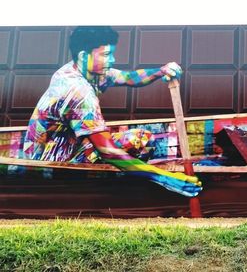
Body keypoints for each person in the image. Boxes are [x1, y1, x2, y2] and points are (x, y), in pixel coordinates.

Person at [22, 26, 201, 197]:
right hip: (48, 164)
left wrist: (161, 71)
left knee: (139, 138)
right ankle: (105, 193)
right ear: (84, 56)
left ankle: (123, 180)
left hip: (67, 145)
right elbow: (108, 150)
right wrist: (165, 178)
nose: (112, 60)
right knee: (133, 142)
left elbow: (130, 78)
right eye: (107, 55)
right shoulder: (76, 89)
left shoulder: (88, 70)